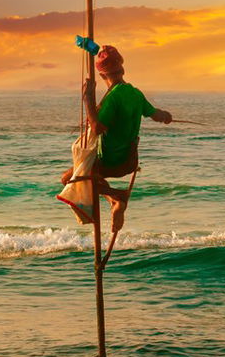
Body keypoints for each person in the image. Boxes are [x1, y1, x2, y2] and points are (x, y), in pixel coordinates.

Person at [60, 45, 173, 232]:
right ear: (122, 69)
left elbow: (96, 128)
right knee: (93, 178)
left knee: (67, 179)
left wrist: (88, 99)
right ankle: (114, 201)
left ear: (102, 75)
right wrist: (166, 116)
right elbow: (156, 114)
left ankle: (117, 196)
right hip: (128, 161)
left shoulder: (113, 98)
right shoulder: (136, 93)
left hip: (109, 162)